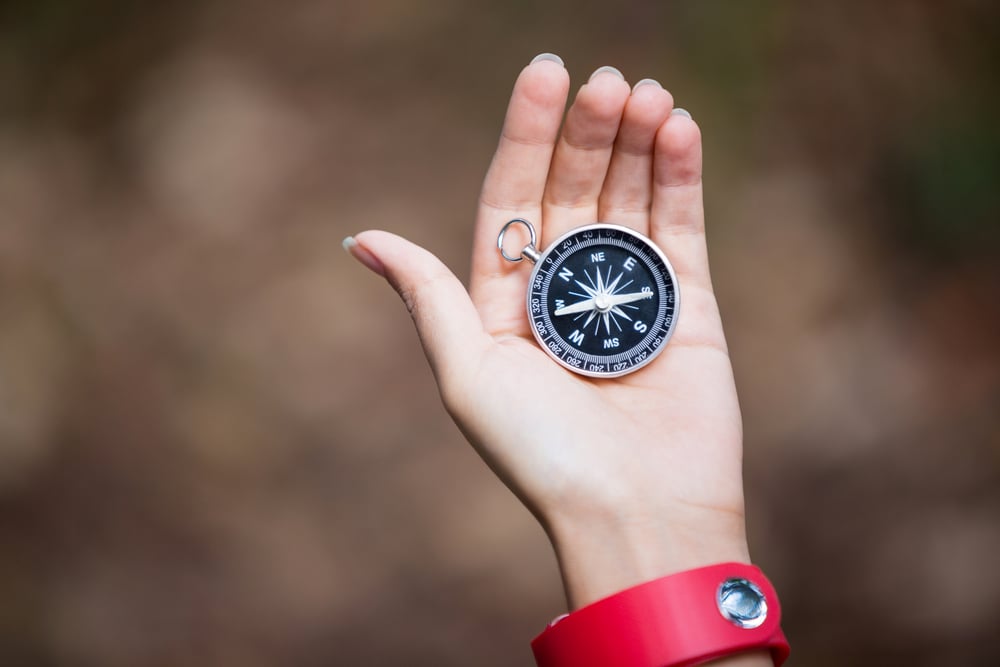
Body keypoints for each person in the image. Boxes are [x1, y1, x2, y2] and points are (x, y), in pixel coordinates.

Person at [344, 53, 783, 666]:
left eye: (615, 292)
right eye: (594, 295)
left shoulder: (606, 288)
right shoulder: (565, 288)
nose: (604, 298)